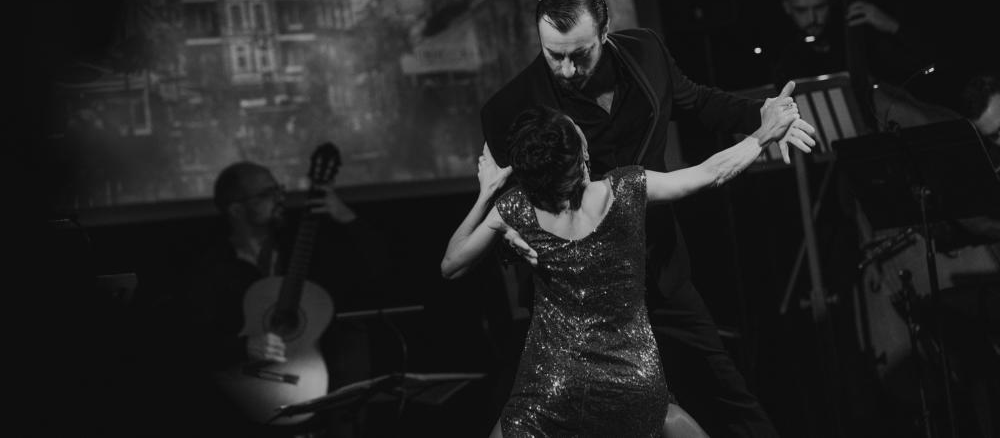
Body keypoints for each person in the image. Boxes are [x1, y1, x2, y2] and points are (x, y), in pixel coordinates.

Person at [480, 0, 817, 437]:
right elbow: (506, 200)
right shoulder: (512, 106)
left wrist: (762, 115)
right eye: (553, 55)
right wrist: (506, 236)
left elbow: (697, 101)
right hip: (582, 300)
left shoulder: (646, 53)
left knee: (727, 395)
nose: (566, 69)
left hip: (658, 265)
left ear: (604, 32)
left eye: (579, 54)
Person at [443, 101, 811, 437]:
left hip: (553, 385)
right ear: (581, 155)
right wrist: (764, 134)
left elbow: (452, 264)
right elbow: (711, 173)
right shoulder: (625, 189)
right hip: (633, 379)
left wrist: (487, 193)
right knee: (670, 420)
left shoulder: (518, 208)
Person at [173, 158, 390, 437]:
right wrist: (243, 347)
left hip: (325, 388)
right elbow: (188, 341)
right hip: (249, 397)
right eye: (267, 194)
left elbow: (380, 271)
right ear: (236, 210)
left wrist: (346, 216)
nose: (279, 199)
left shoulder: (304, 246)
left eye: (279, 190)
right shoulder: (209, 268)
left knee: (351, 333)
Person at [771, 0, 929, 90]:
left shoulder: (860, 32)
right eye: (801, 10)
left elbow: (926, 61)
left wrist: (893, 27)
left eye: (820, 7)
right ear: (787, 7)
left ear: (831, 0)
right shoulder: (782, 54)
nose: (813, 19)